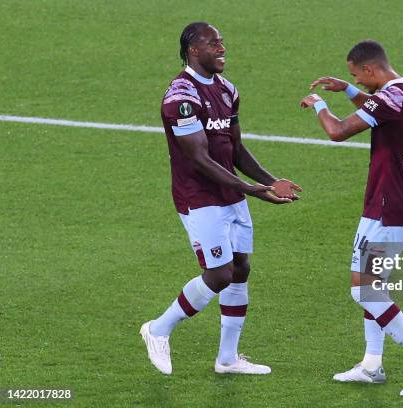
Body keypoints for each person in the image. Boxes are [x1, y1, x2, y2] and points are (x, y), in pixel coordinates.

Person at [141, 21, 302, 376]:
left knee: (241, 268)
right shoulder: (180, 99)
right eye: (214, 43)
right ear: (194, 50)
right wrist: (254, 191)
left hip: (231, 193)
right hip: (199, 197)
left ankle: (227, 359)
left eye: (222, 42)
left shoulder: (227, 90)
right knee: (219, 273)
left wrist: (270, 181)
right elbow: (199, 159)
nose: (222, 48)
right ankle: (157, 330)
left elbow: (236, 149)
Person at [300, 40, 403, 396]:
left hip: (386, 206)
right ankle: (371, 364)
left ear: (370, 69)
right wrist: (347, 90)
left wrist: (319, 104)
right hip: (402, 202)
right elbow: (378, 109)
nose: (358, 82)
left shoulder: (386, 99)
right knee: (375, 284)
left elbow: (337, 131)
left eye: (356, 76)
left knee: (363, 287)